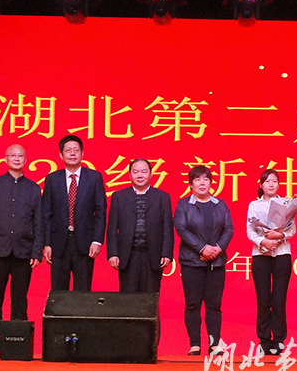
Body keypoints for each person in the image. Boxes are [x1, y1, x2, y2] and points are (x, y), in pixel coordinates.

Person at [0, 144, 42, 353]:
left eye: (20, 156)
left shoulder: (33, 188)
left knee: (20, 299)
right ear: (5, 159)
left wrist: (36, 251)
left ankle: (17, 342)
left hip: (24, 251)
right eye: (13, 155)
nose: (17, 159)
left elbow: (38, 222)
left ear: (26, 160)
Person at [174, 165, 233, 355]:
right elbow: (181, 229)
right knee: (193, 304)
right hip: (192, 262)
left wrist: (218, 248)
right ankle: (195, 344)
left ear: (211, 183)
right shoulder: (184, 205)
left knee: (214, 304)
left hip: (216, 262)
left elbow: (229, 229)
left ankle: (214, 344)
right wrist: (202, 248)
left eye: (206, 179)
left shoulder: (220, 204)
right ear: (190, 184)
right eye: (197, 179)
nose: (202, 183)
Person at [42, 135, 107, 291]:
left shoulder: (94, 178)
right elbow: (46, 214)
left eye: (76, 150)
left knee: (83, 292)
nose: (72, 153)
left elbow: (101, 211)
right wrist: (47, 243)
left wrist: (97, 241)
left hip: (85, 244)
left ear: (82, 154)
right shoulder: (52, 179)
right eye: (68, 150)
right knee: (59, 292)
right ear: (61, 155)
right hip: (58, 244)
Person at [106, 158, 174, 293]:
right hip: (127, 255)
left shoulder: (162, 197)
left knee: (150, 298)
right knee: (128, 299)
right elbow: (112, 227)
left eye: (144, 171)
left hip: (153, 255)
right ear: (129, 175)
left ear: (150, 173)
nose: (140, 175)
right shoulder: (119, 196)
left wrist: (166, 253)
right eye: (135, 172)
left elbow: (167, 228)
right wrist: (112, 253)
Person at [246, 169, 295, 355]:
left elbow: (292, 230)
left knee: (279, 299)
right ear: (261, 185)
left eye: (274, 181)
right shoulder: (254, 205)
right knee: (263, 299)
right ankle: (264, 340)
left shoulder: (286, 203)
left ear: (279, 184)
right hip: (261, 255)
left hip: (282, 254)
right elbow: (250, 230)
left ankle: (279, 340)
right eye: (267, 181)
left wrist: (280, 235)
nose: (271, 184)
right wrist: (263, 241)